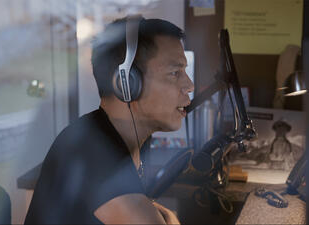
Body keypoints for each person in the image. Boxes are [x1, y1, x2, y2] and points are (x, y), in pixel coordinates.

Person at [24, 16, 194, 224]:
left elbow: (137, 205)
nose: (189, 85)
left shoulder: (113, 135)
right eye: (175, 73)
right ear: (128, 83)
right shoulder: (94, 155)